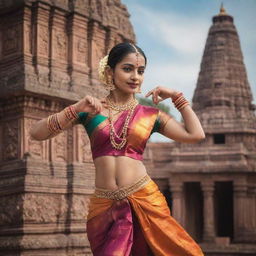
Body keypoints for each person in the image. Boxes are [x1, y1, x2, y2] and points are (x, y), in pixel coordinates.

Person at [30, 42, 205, 256]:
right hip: (105, 205)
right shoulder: (91, 109)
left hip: (144, 199)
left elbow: (195, 135)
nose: (135, 77)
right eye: (127, 69)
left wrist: (177, 97)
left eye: (140, 71)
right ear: (110, 71)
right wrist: (75, 108)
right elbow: (36, 133)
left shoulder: (151, 115)